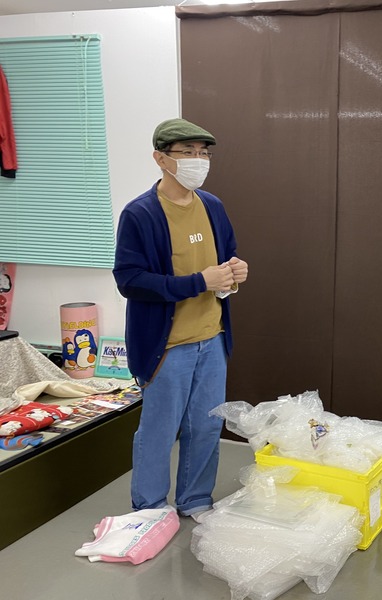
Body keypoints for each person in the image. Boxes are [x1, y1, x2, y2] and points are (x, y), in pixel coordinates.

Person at [113, 118, 248, 520]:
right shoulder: (140, 213)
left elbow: (226, 255)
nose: (198, 160)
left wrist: (234, 272)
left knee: (206, 426)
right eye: (187, 152)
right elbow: (130, 280)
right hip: (167, 344)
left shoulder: (212, 206)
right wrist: (199, 282)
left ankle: (195, 499)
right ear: (160, 159)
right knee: (159, 429)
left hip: (212, 337)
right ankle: (149, 507)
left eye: (203, 153)